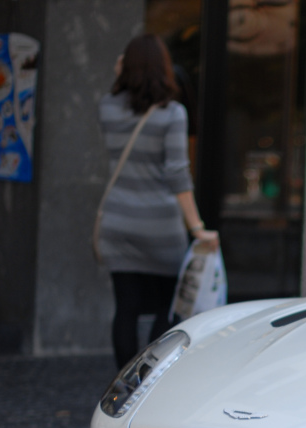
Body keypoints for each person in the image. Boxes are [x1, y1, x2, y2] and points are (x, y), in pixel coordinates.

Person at [97, 34, 218, 367]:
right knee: (168, 306)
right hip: (159, 225)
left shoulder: (107, 107)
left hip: (117, 221)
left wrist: (121, 69)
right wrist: (197, 228)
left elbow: (118, 90)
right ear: (164, 67)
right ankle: (149, 381)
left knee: (126, 306)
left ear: (126, 66)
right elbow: (178, 174)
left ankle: (123, 383)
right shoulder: (173, 114)